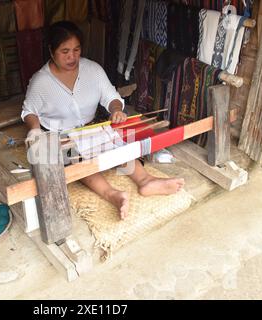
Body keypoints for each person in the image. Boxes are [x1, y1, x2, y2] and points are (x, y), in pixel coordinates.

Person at [21, 21, 185, 220]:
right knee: (76, 160)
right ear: (51, 51)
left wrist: (116, 110)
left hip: (91, 127)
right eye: (64, 51)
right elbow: (29, 111)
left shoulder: (93, 70)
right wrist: (35, 130)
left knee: (117, 142)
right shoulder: (41, 81)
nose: (72, 57)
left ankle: (145, 180)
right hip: (60, 134)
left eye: (76, 49)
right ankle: (114, 195)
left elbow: (112, 97)